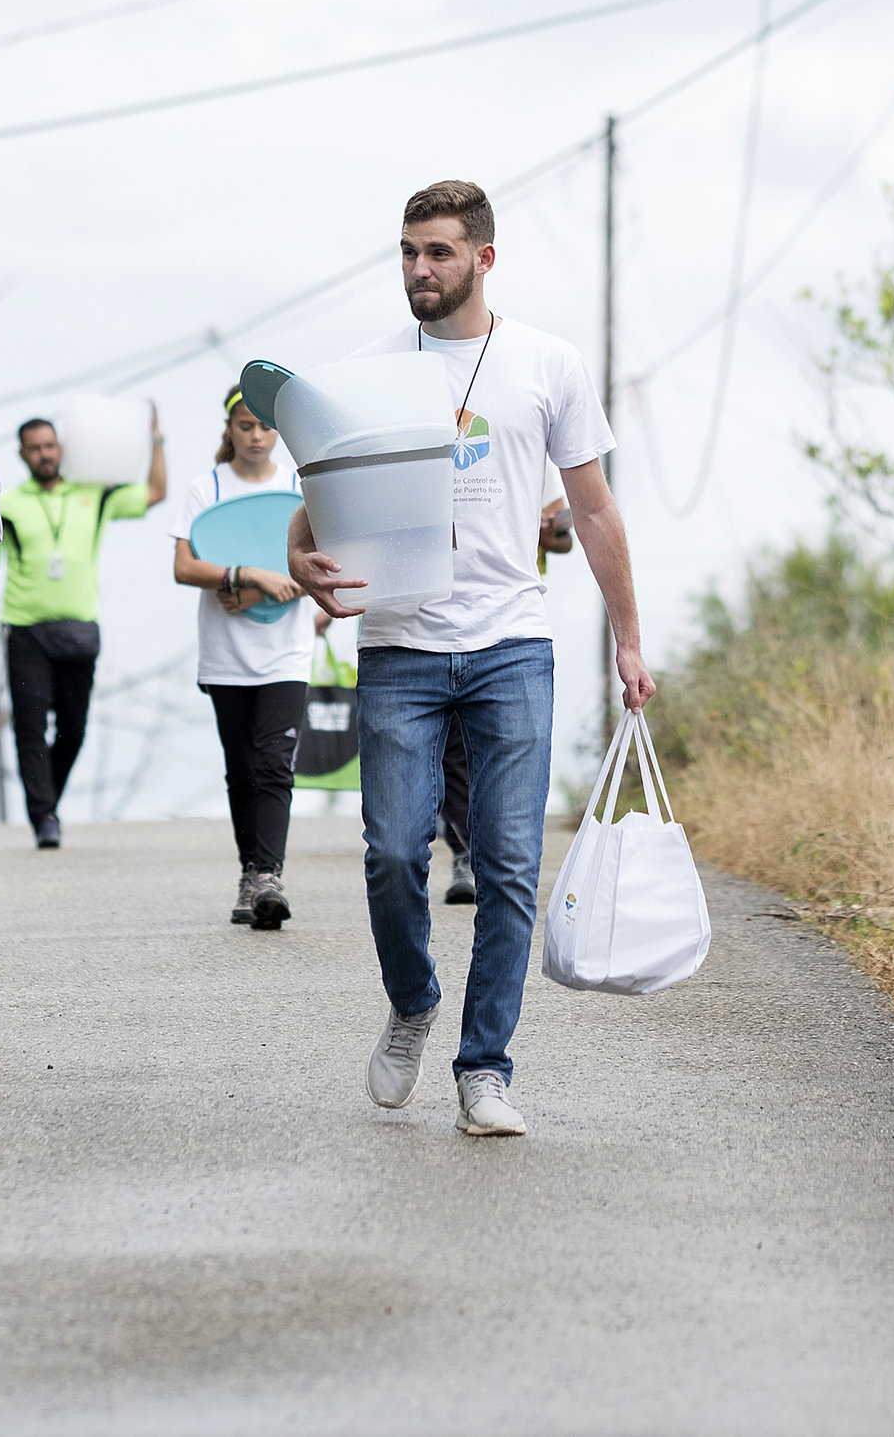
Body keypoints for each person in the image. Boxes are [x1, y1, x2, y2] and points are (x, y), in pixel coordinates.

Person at [288, 180, 655, 1139]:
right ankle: (413, 1003)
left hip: (509, 645)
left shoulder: (545, 363)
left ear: (483, 258)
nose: (419, 269)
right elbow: (316, 503)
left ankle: (484, 1067)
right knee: (395, 853)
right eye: (408, 251)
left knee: (508, 863)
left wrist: (628, 639)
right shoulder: (362, 373)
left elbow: (597, 508)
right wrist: (299, 559)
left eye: (438, 252)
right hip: (400, 644)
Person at [0, 411, 165, 848]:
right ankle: (44, 817)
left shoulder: (95, 494)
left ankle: (48, 801)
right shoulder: (8, 505)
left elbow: (157, 492)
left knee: (73, 729)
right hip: (26, 629)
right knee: (29, 728)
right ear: (23, 454)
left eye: (50, 446)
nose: (45, 454)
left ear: (61, 448)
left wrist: (156, 437)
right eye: (35, 448)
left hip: (81, 630)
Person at [171, 387, 313, 929]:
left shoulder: (299, 487)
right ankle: (250, 872)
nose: (256, 436)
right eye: (245, 425)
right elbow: (184, 565)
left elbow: (324, 558)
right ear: (228, 428)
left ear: (280, 432)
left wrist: (260, 591)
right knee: (242, 770)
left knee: (275, 765)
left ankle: (269, 877)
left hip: (287, 655)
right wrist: (244, 575)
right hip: (226, 656)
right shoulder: (204, 488)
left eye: (265, 427)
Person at [437, 469, 574, 907]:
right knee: (453, 750)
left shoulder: (533, 458)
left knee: (502, 748)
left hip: (510, 622)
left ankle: (498, 860)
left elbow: (565, 538)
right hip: (436, 616)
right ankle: (464, 852)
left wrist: (546, 527)